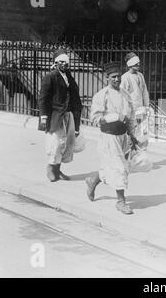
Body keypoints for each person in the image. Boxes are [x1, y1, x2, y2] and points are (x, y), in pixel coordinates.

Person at [85, 62, 138, 215]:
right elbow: (95, 118)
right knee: (119, 168)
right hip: (108, 137)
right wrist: (115, 117)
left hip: (123, 137)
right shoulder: (102, 95)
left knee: (118, 168)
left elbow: (131, 116)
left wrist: (133, 136)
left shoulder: (125, 94)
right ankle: (121, 202)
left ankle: (93, 180)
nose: (117, 80)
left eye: (119, 76)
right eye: (113, 77)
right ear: (107, 77)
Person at [38, 49, 82, 182]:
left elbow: (74, 95)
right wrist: (44, 116)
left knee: (65, 144)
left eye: (66, 62)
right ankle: (51, 168)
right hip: (55, 115)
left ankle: (57, 169)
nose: (63, 64)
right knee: (55, 143)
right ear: (56, 63)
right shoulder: (50, 77)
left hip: (68, 115)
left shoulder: (69, 77)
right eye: (61, 62)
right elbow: (43, 98)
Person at [120, 52, 150, 148]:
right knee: (132, 135)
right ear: (130, 64)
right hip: (131, 110)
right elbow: (122, 96)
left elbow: (144, 91)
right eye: (136, 63)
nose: (138, 65)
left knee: (143, 134)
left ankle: (141, 155)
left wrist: (147, 105)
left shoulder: (140, 75)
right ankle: (131, 157)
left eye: (139, 63)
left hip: (141, 109)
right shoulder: (125, 78)